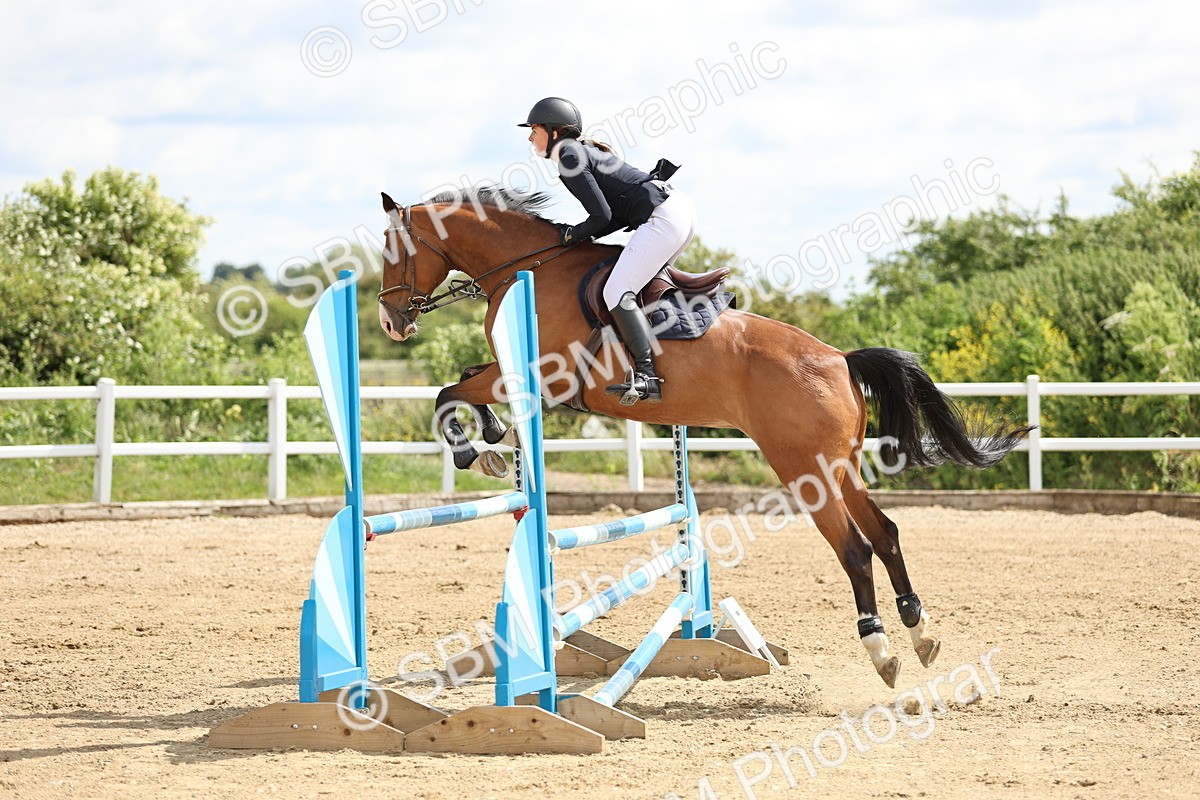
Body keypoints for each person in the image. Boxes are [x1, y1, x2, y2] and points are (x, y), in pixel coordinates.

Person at [519, 97, 697, 405]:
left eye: (534, 129)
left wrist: (572, 235)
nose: (530, 137)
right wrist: (576, 236)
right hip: (676, 210)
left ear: (555, 131)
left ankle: (647, 376)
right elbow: (611, 217)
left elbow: (600, 216)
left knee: (616, 290)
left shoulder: (568, 155)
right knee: (636, 287)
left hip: (663, 216)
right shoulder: (578, 151)